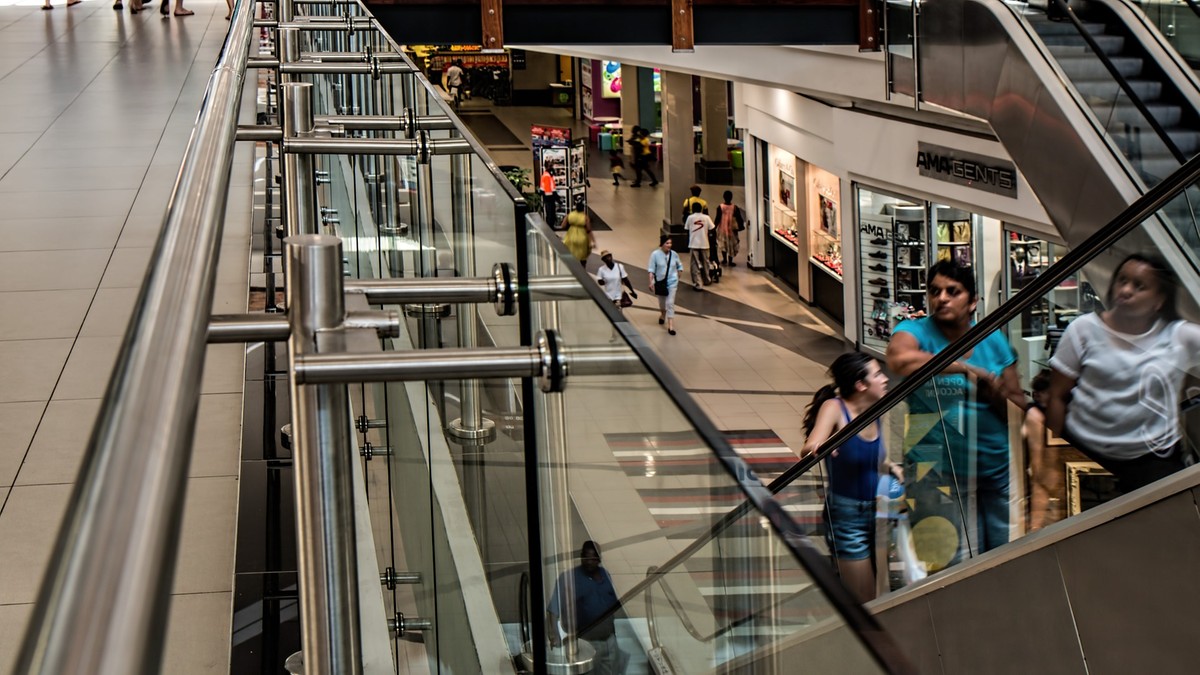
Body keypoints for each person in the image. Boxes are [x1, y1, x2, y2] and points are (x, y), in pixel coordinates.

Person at [886, 261, 1026, 566]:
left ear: (973, 301)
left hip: (994, 468)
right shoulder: (914, 331)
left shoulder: (993, 339)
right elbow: (899, 359)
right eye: (935, 291)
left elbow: (1016, 404)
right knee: (950, 565)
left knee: (1004, 559)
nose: (942, 298)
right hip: (934, 469)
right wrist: (964, 368)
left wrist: (995, 392)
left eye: (953, 291)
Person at [1047, 253, 1200, 494]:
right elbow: (1056, 395)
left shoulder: (1179, 337)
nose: (1126, 290)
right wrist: (1052, 457)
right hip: (1084, 449)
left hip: (1151, 459)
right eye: (1122, 280)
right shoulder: (1084, 329)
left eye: (1139, 286)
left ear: (1159, 300)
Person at [801, 352, 903, 602]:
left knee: (880, 588)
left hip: (879, 510)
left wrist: (890, 466)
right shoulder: (835, 408)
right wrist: (819, 447)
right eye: (877, 374)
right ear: (860, 385)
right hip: (848, 518)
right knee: (863, 596)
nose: (884, 379)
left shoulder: (875, 407)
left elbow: (870, 453)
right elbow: (810, 446)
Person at [547, 541, 628, 675]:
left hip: (608, 641)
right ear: (581, 557)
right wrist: (554, 634)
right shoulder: (569, 578)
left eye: (593, 558)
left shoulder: (605, 575)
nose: (589, 561)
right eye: (586, 557)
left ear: (599, 559)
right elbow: (553, 610)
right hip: (584, 643)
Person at [1024, 370, 1059, 532]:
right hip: (1037, 467)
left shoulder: (1052, 410)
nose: (1039, 396)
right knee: (1039, 485)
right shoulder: (1034, 413)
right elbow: (1036, 459)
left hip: (1050, 466)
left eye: (1044, 392)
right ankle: (1035, 528)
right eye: (1038, 393)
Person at [648, 235, 682, 336]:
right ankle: (663, 314)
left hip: (672, 282)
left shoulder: (674, 254)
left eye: (670, 243)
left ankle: (670, 326)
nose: (669, 245)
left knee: (670, 303)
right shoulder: (655, 255)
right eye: (667, 243)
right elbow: (651, 270)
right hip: (660, 282)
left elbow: (679, 265)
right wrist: (650, 282)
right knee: (662, 303)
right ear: (662, 244)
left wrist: (679, 273)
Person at [685, 202, 714, 291]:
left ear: (693, 209)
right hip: (705, 243)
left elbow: (687, 230)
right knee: (706, 262)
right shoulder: (706, 218)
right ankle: (707, 279)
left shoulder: (690, 218)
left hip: (694, 244)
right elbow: (712, 229)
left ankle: (698, 284)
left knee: (695, 264)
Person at [714, 190, 743, 267]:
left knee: (723, 244)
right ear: (731, 197)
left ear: (723, 197)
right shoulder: (735, 207)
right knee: (732, 245)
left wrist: (714, 227)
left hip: (722, 229)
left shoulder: (720, 207)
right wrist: (740, 227)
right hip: (732, 230)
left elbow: (718, 218)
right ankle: (730, 261)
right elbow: (739, 218)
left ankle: (724, 259)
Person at [560, 201, 595, 265]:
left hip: (571, 236)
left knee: (570, 252)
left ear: (575, 208)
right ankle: (583, 269)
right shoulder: (585, 217)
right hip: (582, 237)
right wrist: (593, 241)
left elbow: (563, 226)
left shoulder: (569, 214)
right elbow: (588, 229)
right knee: (583, 256)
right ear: (583, 208)